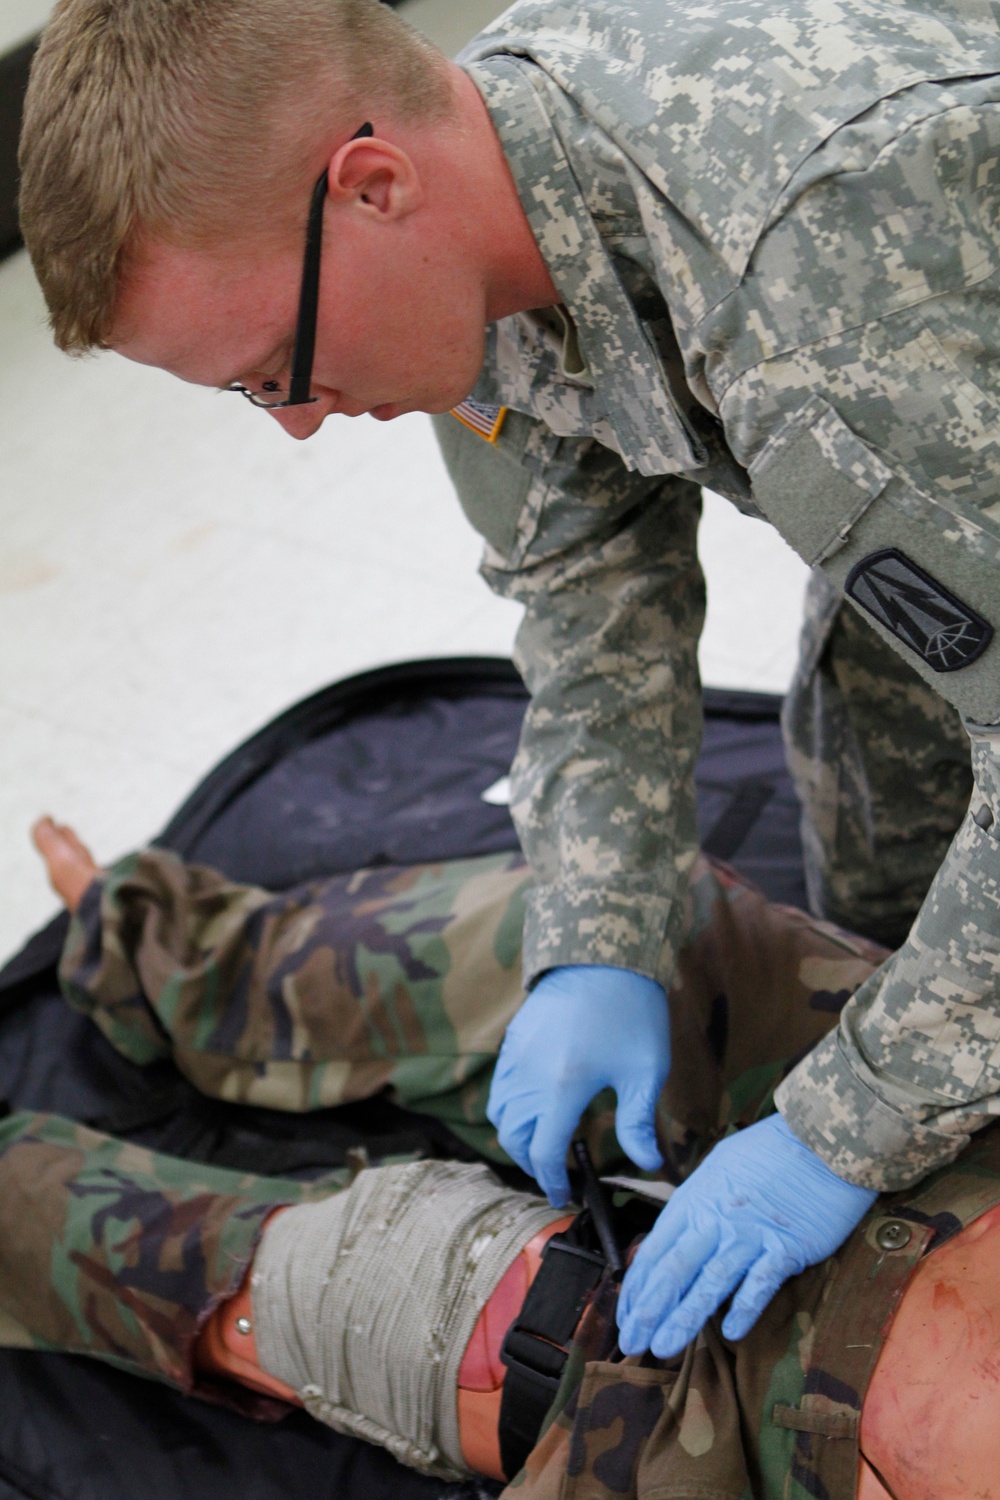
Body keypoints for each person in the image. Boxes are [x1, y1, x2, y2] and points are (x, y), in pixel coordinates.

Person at [17, 0, 1000, 1352]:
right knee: (883, 840)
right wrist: (596, 932)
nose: (301, 424)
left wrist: (847, 1127)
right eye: (252, 395)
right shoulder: (473, 225)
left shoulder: (819, 252)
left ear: (372, 188)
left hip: (932, 327)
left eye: (281, 367)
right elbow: (588, 590)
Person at [6, 816, 1000, 1500]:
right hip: (969, 1145)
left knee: (394, 1285)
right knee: (648, 938)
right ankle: (175, 954)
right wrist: (855, 1117)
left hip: (759, 1425)